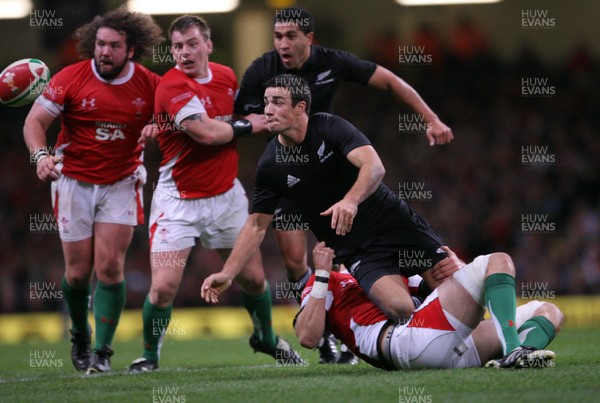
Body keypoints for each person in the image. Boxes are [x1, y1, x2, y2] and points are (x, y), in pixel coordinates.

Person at [234, 7, 454, 364]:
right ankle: (325, 333)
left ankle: (375, 298)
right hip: (290, 177)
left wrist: (430, 118)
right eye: (277, 37)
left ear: (309, 38)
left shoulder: (332, 62)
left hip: (331, 166)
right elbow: (239, 116)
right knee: (294, 263)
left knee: (341, 246)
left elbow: (389, 81)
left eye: (291, 36)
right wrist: (268, 120)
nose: (283, 44)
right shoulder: (262, 69)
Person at [201, 75, 460, 337]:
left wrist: (350, 200)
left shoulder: (329, 126)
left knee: (453, 286)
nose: (267, 110)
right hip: (356, 248)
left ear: (300, 108)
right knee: (401, 309)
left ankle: (428, 288)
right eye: (266, 102)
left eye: (277, 102)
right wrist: (228, 273)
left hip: (394, 223)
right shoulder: (270, 166)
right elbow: (256, 226)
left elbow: (374, 166)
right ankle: (417, 294)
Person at [127, 15, 302, 373]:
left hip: (225, 197)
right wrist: (250, 124)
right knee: (163, 288)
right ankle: (149, 355)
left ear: (208, 45)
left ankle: (266, 339)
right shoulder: (171, 86)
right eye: (177, 46)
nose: (184, 52)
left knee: (253, 279)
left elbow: (233, 116)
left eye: (192, 43)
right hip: (178, 200)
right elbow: (206, 134)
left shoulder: (225, 76)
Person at [22, 7, 163, 373]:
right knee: (77, 274)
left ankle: (102, 351)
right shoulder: (70, 77)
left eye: (114, 46)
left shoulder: (150, 84)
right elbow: (35, 120)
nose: (104, 51)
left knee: (111, 268)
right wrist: (40, 155)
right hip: (73, 182)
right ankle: (80, 334)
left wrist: (159, 127)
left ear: (131, 50)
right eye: (100, 44)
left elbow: (175, 118)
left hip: (121, 182)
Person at [294, 242, 562, 370]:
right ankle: (514, 350)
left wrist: (459, 269)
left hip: (449, 347)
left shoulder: (391, 276)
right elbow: (307, 336)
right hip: (404, 342)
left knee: (549, 311)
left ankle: (514, 357)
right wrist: (320, 274)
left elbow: (457, 289)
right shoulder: (332, 281)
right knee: (499, 259)